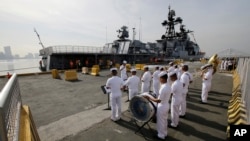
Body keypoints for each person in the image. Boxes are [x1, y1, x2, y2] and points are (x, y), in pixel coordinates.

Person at [144, 72, 171, 140]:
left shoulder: (163, 88)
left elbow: (159, 100)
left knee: (160, 121)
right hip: (166, 105)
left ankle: (161, 135)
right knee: (164, 121)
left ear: (162, 79)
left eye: (160, 78)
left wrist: (149, 98)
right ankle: (164, 133)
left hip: (162, 106)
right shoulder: (168, 85)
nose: (159, 80)